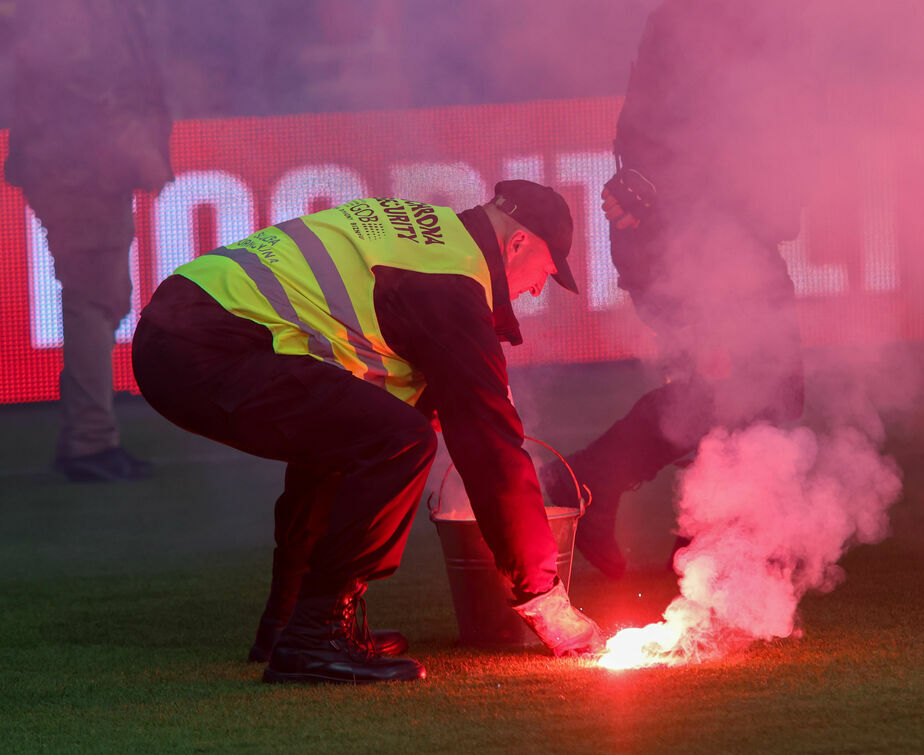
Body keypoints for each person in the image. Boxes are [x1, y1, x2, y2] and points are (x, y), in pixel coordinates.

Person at [131, 181, 604, 684]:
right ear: (517, 244)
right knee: (396, 441)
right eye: (547, 273)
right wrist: (542, 594)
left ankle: (294, 627)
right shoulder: (451, 281)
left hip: (182, 329)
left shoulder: (430, 236)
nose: (535, 290)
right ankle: (315, 637)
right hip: (206, 346)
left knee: (361, 438)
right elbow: (492, 449)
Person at [542, 0, 815, 577]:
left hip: (702, 249)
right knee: (742, 390)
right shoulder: (710, 41)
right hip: (696, 253)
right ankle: (706, 544)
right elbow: (661, 163)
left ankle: (597, 485)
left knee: (738, 392)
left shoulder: (706, 45)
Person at [4, 0, 173, 482]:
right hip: (78, 174)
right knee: (94, 301)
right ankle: (90, 443)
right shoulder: (76, 11)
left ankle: (90, 438)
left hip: (83, 172)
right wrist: (139, 150)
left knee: (101, 300)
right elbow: (85, 90)